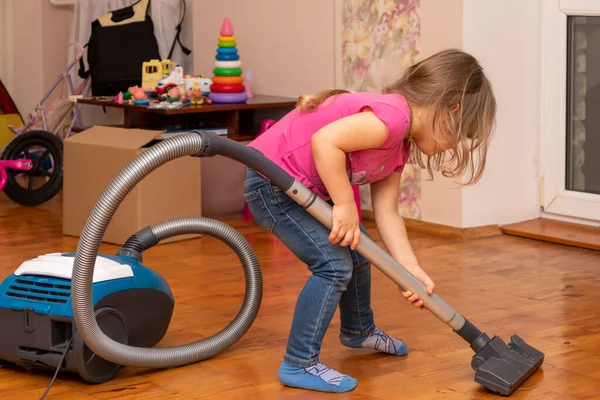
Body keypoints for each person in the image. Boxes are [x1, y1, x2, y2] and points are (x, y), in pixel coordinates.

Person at [243, 49, 497, 394]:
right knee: (334, 265)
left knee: (361, 250)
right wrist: (346, 203)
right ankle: (298, 362)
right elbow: (325, 141)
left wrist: (409, 271)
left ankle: (358, 331)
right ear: (450, 110)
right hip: (273, 183)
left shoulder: (400, 144)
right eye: (461, 133)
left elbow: (388, 211)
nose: (454, 144)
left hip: (307, 191)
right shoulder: (391, 118)